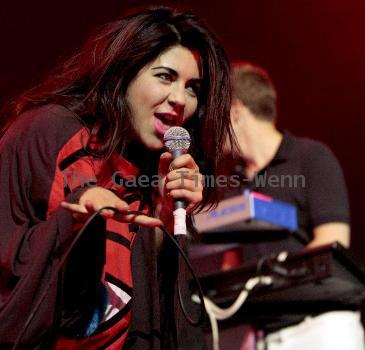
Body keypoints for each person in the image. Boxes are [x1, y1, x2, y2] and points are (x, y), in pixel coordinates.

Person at [0, 7, 234, 349]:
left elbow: (147, 305)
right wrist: (76, 220)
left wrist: (168, 214)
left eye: (193, 87)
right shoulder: (51, 130)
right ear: (124, 70)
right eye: (165, 77)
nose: (180, 99)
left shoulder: (149, 171)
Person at [223, 61, 364, 349]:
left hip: (321, 327)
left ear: (235, 110)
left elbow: (333, 241)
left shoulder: (311, 157)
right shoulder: (233, 183)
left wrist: (264, 284)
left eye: (215, 112)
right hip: (264, 332)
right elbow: (233, 263)